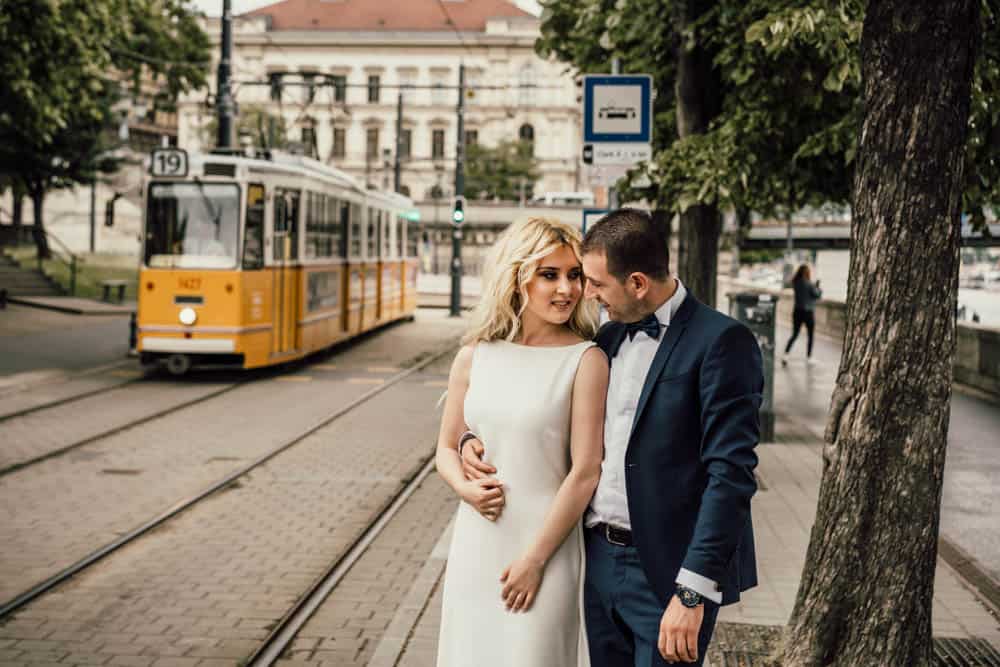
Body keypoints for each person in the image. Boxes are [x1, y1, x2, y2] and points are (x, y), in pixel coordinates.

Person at [462, 208, 764, 666]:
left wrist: (693, 591)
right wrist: (469, 441)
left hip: (668, 570)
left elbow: (731, 476)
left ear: (638, 283)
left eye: (596, 284)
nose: (586, 294)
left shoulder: (721, 342)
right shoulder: (605, 340)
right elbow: (538, 415)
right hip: (597, 559)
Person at [435, 217, 609, 667]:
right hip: (477, 542)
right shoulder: (475, 355)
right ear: (517, 278)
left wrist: (534, 561)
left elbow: (586, 470)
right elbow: (446, 448)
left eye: (574, 276)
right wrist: (463, 487)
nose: (566, 289)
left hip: (545, 551)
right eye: (549, 275)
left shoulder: (586, 360)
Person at [782, 264, 822, 366]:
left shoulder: (796, 282)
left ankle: (785, 355)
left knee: (795, 334)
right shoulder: (809, 284)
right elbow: (816, 295)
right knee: (810, 335)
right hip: (808, 312)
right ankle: (809, 357)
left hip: (797, 311)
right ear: (807, 273)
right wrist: (818, 287)